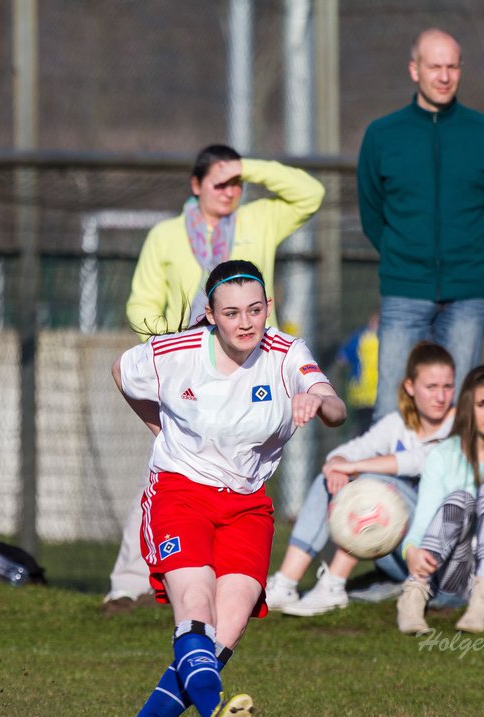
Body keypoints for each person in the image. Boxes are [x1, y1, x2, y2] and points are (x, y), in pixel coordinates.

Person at [108, 260, 345, 717]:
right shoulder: (177, 354)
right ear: (211, 315)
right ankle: (214, 713)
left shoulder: (285, 352)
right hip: (180, 493)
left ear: (269, 309)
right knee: (195, 606)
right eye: (232, 312)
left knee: (225, 635)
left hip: (247, 505)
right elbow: (122, 373)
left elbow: (335, 408)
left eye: (255, 310)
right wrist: (157, 426)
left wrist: (316, 396)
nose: (246, 322)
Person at [107, 144, 325, 606]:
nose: (230, 192)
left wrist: (250, 166)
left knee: (235, 473)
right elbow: (141, 300)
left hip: (249, 362)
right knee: (171, 471)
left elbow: (310, 194)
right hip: (192, 361)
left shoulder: (258, 220)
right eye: (219, 182)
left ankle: (221, 576)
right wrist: (171, 344)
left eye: (235, 183)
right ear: (196, 185)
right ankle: (129, 584)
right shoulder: (166, 235)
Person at [356, 28, 484, 423]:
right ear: (415, 70)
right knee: (391, 406)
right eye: (434, 66)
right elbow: (372, 211)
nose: (444, 76)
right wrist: (398, 253)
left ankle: (449, 487)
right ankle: (386, 485)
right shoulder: (383, 135)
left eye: (452, 67)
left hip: (468, 294)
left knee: (455, 409)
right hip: (404, 290)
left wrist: (475, 256)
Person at [267, 340, 455, 617]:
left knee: (372, 482)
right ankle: (286, 583)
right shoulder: (397, 423)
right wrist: (338, 464)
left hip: (437, 556)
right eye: (431, 387)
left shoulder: (460, 426)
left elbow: (417, 461)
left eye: (447, 387)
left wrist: (354, 468)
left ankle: (333, 585)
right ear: (410, 388)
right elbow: (347, 451)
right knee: (329, 478)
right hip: (397, 553)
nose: (440, 397)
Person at [395, 365, 484, 635]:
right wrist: (411, 549)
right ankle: (412, 599)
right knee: (459, 498)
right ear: (468, 406)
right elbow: (425, 514)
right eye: (483, 404)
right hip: (459, 570)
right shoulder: (443, 455)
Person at [336, 310, 379, 436]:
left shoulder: (359, 337)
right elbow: (342, 358)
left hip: (364, 394)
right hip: (367, 394)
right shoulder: (361, 338)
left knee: (364, 429)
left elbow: (341, 359)